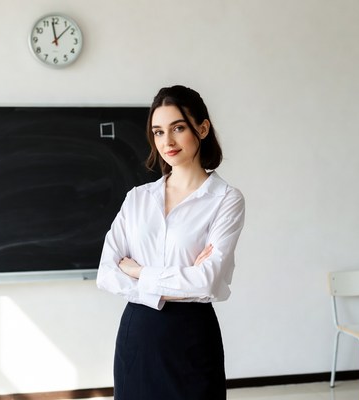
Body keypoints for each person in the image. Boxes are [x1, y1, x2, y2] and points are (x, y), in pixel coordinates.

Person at [97, 85, 245, 400]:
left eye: (178, 128)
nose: (168, 141)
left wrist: (139, 272)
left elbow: (206, 281)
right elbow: (107, 274)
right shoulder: (137, 199)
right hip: (137, 333)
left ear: (202, 128)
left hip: (191, 335)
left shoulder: (225, 199)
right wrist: (180, 281)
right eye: (159, 131)